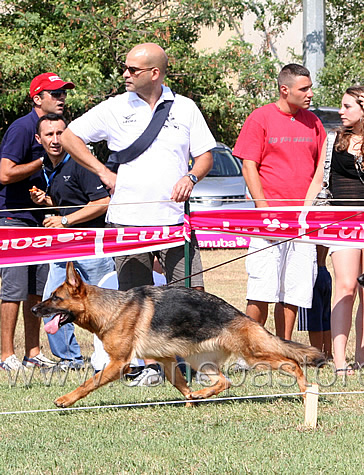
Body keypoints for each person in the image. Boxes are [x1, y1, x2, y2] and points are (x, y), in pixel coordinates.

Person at [60, 42, 215, 385]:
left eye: (133, 69)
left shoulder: (185, 108)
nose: (125, 75)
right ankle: (148, 368)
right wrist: (102, 171)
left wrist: (191, 176)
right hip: (128, 222)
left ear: (155, 73)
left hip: (175, 222)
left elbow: (206, 155)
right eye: (126, 68)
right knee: (132, 301)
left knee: (192, 294)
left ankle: (198, 366)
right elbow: (71, 137)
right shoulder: (115, 107)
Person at [306, 86, 364, 374]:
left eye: (347, 107)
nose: (341, 112)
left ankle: (362, 354)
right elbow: (320, 176)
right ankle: (340, 359)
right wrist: (304, 213)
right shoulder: (333, 139)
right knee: (345, 286)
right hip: (340, 220)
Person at [233, 64, 326, 340]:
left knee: (294, 290)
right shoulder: (260, 118)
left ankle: (282, 346)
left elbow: (321, 167)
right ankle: (250, 348)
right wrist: (264, 211)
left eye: (310, 87)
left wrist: (307, 210)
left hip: (301, 222)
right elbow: (249, 166)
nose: (310, 93)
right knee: (262, 288)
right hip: (268, 220)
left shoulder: (314, 122)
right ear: (284, 90)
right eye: (304, 89)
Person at [0, 73, 75, 371]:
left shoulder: (57, 129)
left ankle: (33, 352)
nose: (61, 98)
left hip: (40, 219)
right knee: (13, 289)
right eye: (55, 93)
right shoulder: (22, 128)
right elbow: (4, 174)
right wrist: (41, 162)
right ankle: (6, 355)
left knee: (37, 289)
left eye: (63, 93)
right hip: (13, 218)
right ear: (37, 98)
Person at [30, 113, 113, 371]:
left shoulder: (79, 164)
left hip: (92, 246)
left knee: (105, 306)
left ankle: (115, 358)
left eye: (60, 134)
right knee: (50, 301)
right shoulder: (48, 167)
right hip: (65, 248)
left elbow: (102, 202)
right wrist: (50, 204)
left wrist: (65, 222)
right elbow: (73, 202)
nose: (55, 140)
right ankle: (70, 360)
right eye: (49, 135)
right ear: (39, 139)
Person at [297, 245, 332, 359]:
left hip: (312, 272)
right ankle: (328, 353)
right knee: (325, 317)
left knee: (314, 319)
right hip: (324, 270)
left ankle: (317, 354)